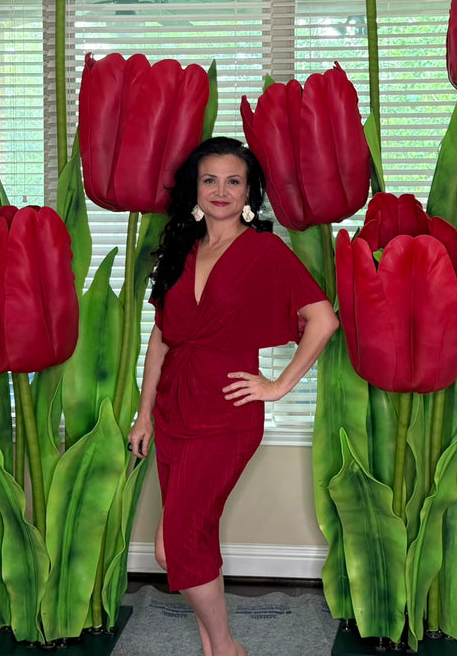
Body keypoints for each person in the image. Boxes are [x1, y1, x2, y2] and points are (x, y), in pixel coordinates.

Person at [128, 136, 338, 656]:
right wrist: (143, 415)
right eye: (210, 179)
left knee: (176, 544)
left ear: (249, 190)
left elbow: (323, 319)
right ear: (195, 190)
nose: (221, 190)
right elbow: (161, 336)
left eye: (233, 180)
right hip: (173, 408)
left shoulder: (264, 251)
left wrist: (277, 385)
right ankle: (213, 647)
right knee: (182, 544)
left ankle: (226, 648)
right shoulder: (181, 248)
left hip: (225, 412)